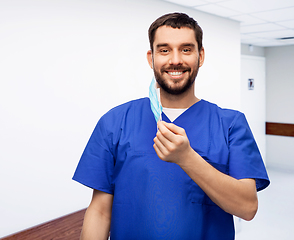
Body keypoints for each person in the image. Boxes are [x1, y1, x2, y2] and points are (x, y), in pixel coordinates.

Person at [73, 12, 270, 240]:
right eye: (164, 50)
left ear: (200, 56)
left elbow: (247, 207)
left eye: (186, 49)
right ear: (151, 58)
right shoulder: (115, 122)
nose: (175, 60)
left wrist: (187, 158)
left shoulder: (230, 124)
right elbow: (99, 211)